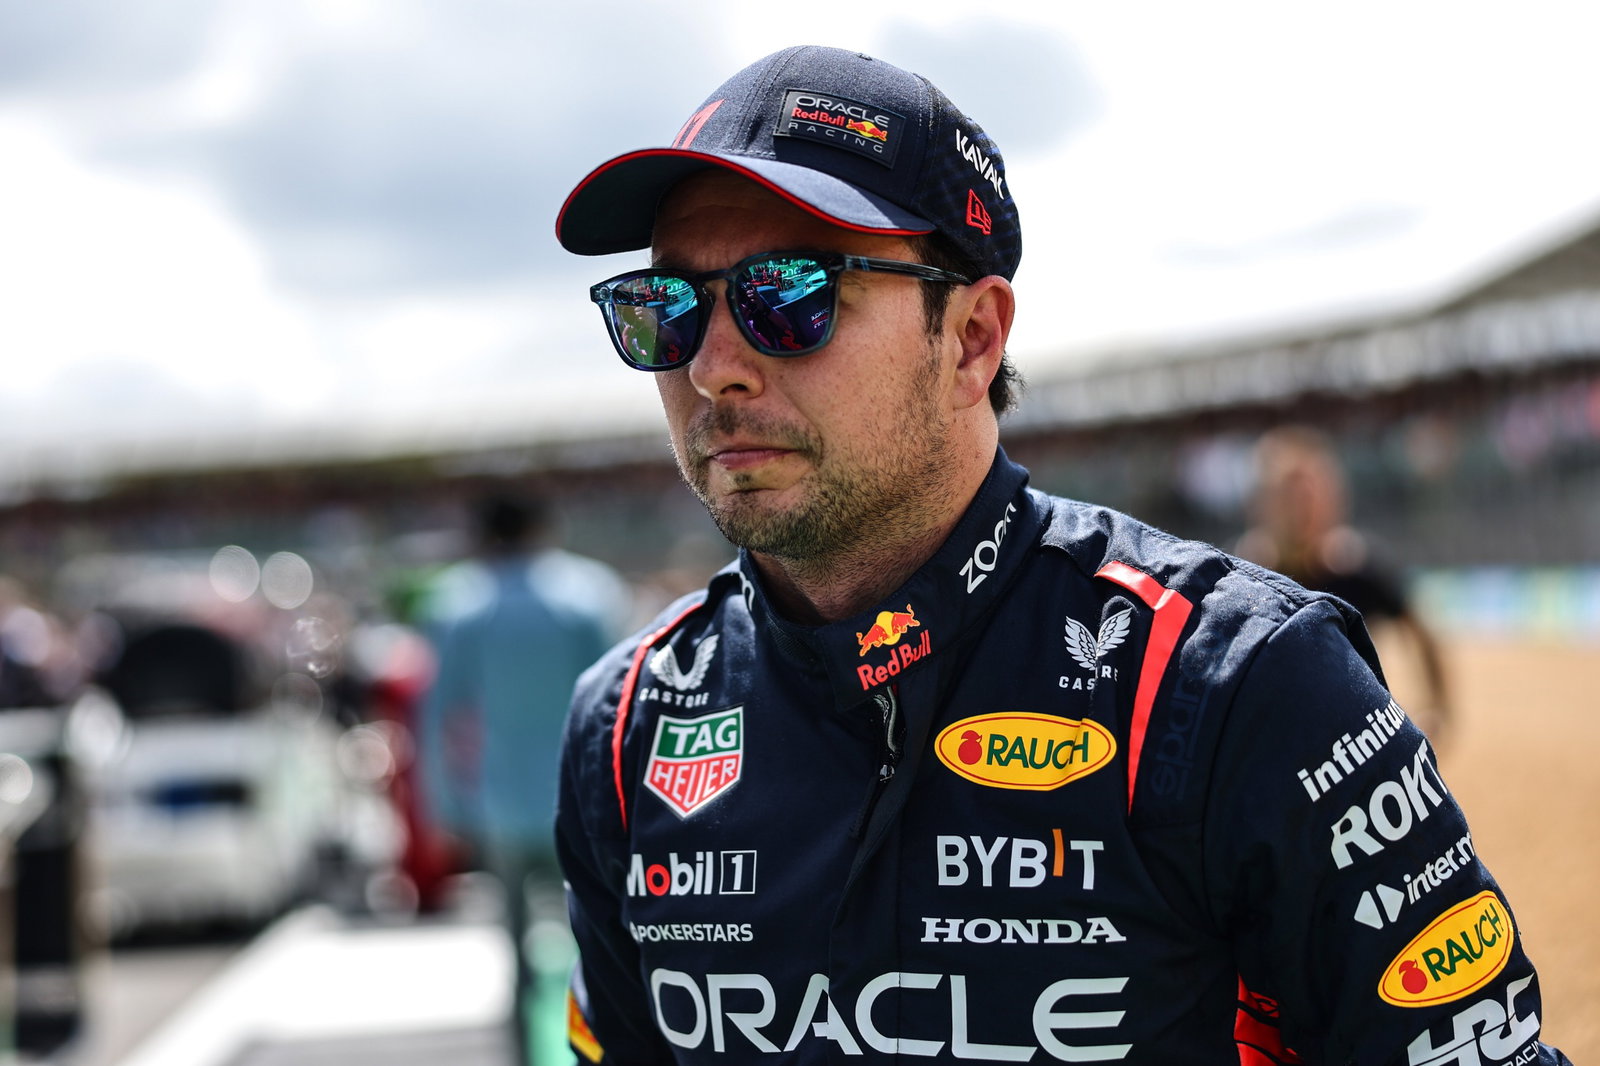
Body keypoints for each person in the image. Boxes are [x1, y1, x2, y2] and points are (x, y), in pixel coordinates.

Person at [551, 45, 1570, 1065]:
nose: (715, 366)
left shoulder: (1236, 681)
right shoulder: (625, 723)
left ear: (970, 339)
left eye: (791, 294)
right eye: (666, 309)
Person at [416, 493, 629, 1065]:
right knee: (603, 947)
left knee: (515, 953)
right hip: (586, 800)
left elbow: (437, 716)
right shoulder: (588, 594)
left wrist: (443, 806)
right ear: (542, 524)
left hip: (500, 801)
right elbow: (626, 703)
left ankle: (525, 1056)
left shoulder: (459, 604)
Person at [1237, 426, 1453, 742]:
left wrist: (1437, 707)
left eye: (1312, 496)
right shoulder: (1240, 579)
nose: (1303, 511)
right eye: (1290, 497)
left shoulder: (1356, 569)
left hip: (1353, 747)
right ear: (1262, 504)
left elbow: (1421, 632)